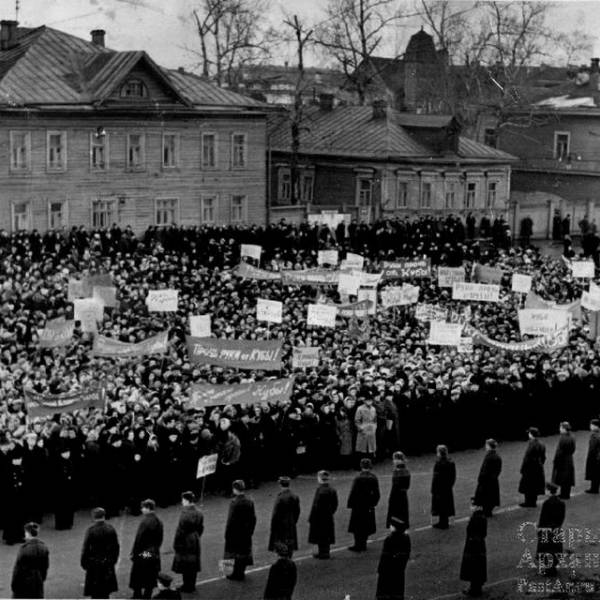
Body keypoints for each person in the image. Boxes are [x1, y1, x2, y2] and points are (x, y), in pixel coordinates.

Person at [81, 507, 120, 599]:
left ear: (94, 517)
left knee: (95, 591)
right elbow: (116, 547)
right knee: (106, 590)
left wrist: (84, 563)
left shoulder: (91, 531)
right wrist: (113, 560)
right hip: (107, 562)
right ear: (104, 516)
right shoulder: (111, 529)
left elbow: (86, 549)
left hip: (94, 563)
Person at [129, 499, 164, 599]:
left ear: (148, 508)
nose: (141, 510)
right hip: (153, 552)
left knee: (137, 573)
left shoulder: (145, 522)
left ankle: (137, 595)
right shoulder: (159, 521)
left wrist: (135, 553)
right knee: (151, 575)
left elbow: (139, 540)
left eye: (143, 508)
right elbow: (160, 539)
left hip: (143, 552)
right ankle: (147, 596)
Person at [224, 479, 257, 581]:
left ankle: (229, 573)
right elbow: (253, 518)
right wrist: (250, 531)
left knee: (230, 553)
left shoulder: (234, 503)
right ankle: (241, 573)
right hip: (246, 532)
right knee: (243, 553)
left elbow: (230, 520)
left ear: (235, 489)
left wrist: (227, 534)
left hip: (234, 532)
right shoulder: (250, 501)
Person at [171, 491, 204, 593]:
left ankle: (186, 586)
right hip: (195, 539)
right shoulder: (199, 512)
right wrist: (196, 536)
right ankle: (191, 585)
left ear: (186, 500)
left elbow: (180, 531)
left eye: (183, 500)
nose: (182, 502)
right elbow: (201, 527)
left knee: (186, 564)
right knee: (193, 563)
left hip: (185, 540)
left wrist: (176, 544)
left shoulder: (185, 514)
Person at [347, 457, 380, 551]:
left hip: (358, 505)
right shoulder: (373, 478)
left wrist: (350, 503)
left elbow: (353, 492)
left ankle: (358, 544)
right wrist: (373, 503)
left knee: (357, 526)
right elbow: (377, 493)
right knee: (366, 525)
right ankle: (363, 543)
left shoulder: (358, 478)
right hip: (368, 504)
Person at [11, 522, 49, 599]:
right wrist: (42, 578)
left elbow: (18, 569)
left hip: (24, 582)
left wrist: (14, 584)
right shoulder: (43, 547)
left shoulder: (24, 549)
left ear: (28, 533)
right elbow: (45, 566)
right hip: (38, 581)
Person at [375, 516, 411, 600]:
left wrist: (380, 569)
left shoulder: (389, 539)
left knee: (385, 589)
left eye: (391, 525)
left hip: (387, 570)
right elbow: (407, 553)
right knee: (397, 588)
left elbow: (384, 557)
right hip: (399, 569)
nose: (390, 526)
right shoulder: (405, 538)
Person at [536, 483, 566, 576]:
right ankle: (553, 568)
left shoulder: (547, 503)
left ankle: (548, 569)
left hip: (547, 529)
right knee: (555, 548)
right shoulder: (562, 503)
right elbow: (562, 518)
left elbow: (543, 518)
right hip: (556, 528)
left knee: (546, 548)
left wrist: (539, 529)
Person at [308, 470, 338, 559]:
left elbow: (315, 506)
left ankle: (323, 553)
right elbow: (335, 504)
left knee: (320, 535)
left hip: (319, 517)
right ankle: (325, 552)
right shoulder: (332, 490)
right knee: (327, 534)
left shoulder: (320, 490)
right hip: (328, 516)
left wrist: (311, 518)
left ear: (320, 479)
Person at [459, 501, 487, 597]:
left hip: (474, 547)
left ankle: (474, 590)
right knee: (477, 568)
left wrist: (472, 539)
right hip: (478, 546)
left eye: (473, 505)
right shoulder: (480, 516)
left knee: (474, 567)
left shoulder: (477, 517)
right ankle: (476, 588)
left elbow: (475, 532)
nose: (471, 507)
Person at [268, 476, 300, 557]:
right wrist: (293, 521)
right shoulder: (294, 496)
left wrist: (273, 527)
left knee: (281, 546)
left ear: (280, 485)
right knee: (290, 545)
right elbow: (297, 511)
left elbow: (275, 514)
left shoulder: (280, 498)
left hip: (281, 526)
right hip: (291, 524)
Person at [473, 439, 502, 518]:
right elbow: (498, 469)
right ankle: (488, 510)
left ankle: (486, 511)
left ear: (489, 446)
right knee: (491, 495)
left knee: (485, 495)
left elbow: (485, 470)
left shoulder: (489, 457)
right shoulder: (497, 456)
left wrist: (480, 479)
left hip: (486, 480)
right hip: (493, 479)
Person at [518, 427, 546, 508]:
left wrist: (523, 468)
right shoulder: (542, 444)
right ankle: (533, 501)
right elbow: (543, 457)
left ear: (531, 434)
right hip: (538, 467)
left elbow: (527, 458)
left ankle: (528, 502)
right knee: (535, 485)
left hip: (530, 468)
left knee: (528, 485)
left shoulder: (531, 444)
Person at [431, 445, 456, 529]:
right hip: (447, 487)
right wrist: (450, 485)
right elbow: (453, 476)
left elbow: (436, 478)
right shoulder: (451, 462)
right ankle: (444, 521)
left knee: (440, 505)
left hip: (439, 488)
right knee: (446, 504)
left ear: (439, 453)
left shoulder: (438, 464)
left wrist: (433, 489)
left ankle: (443, 523)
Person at [386, 451, 410, 528]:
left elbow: (395, 486)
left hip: (396, 496)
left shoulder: (397, 472)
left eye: (395, 459)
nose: (393, 461)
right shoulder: (406, 471)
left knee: (395, 515)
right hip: (403, 496)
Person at [551, 422, 575, 500]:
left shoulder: (562, 438)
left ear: (564, 429)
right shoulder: (572, 437)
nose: (559, 429)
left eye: (560, 428)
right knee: (568, 478)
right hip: (569, 458)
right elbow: (573, 449)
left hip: (562, 460)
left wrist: (556, 460)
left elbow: (559, 451)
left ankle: (563, 494)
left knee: (561, 477)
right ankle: (566, 493)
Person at [585, 419, 600, 494]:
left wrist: (590, 458)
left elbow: (592, 448)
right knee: (597, 473)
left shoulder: (594, 435)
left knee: (594, 473)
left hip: (594, 457)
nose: (590, 427)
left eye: (591, 425)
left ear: (595, 426)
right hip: (598, 456)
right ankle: (595, 488)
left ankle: (594, 489)